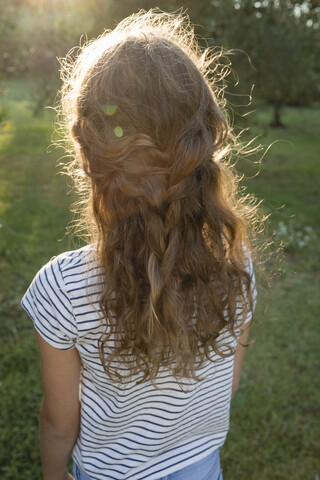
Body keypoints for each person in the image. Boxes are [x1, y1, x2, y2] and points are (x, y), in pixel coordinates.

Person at [21, 9, 258, 480]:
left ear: (88, 157)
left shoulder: (62, 289)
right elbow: (226, 384)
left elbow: (58, 421)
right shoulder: (235, 261)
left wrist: (52, 473)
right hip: (201, 465)